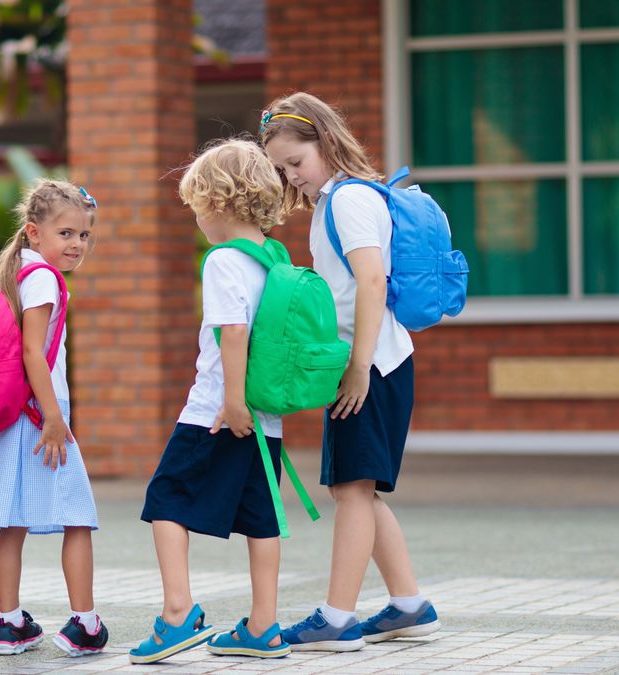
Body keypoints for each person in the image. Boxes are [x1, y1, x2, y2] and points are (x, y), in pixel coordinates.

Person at [261, 92, 440, 650]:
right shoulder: (335, 201)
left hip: (373, 365)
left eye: (297, 162)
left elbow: (371, 281)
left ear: (326, 141)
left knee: (351, 489)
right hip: (372, 362)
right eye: (282, 169)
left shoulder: (347, 200)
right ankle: (409, 605)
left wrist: (358, 367)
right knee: (358, 488)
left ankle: (336, 618)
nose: (293, 176)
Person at [130, 139, 291, 664]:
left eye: (198, 206)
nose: (198, 219)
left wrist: (233, 401)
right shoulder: (274, 258)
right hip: (267, 420)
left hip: (217, 412)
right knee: (263, 518)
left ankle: (178, 614)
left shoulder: (224, 260)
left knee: (166, 499)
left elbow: (234, 334)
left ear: (218, 203)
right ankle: (264, 625)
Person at [0, 179, 107, 658]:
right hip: (41, 414)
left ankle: (10, 625)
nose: (76, 244)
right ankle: (85, 624)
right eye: (66, 233)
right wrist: (53, 417)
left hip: (12, 414)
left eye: (84, 235)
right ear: (33, 232)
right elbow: (33, 352)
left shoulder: (17, 273)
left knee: (13, 523)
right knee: (77, 518)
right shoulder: (45, 278)